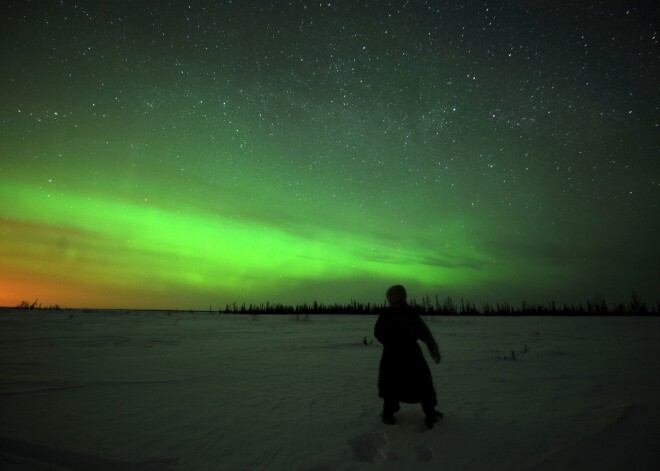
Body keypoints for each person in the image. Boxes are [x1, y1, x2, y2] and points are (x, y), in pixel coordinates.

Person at [374, 285, 443, 429]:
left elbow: (378, 333)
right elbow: (425, 333)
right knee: (422, 382)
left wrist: (390, 342)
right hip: (411, 354)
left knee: (390, 384)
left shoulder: (386, 314)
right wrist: (434, 350)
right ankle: (430, 413)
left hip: (391, 355)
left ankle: (388, 414)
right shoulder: (410, 313)